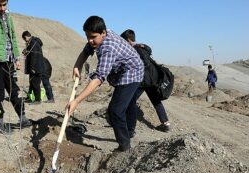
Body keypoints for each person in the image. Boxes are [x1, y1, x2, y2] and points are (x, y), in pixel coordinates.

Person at [67, 16, 144, 152]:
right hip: (124, 70)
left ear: (103, 33)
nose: (90, 40)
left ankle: (124, 146)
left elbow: (98, 79)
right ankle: (130, 131)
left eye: (93, 37)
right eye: (87, 36)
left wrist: (76, 101)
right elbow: (86, 51)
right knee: (129, 102)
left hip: (132, 72)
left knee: (115, 110)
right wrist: (77, 66)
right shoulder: (99, 35)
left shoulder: (109, 47)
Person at [0, 0, 31, 133]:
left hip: (8, 61)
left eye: (4, 5)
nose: (2, 8)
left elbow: (12, 38)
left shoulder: (8, 16)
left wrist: (16, 57)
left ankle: (22, 117)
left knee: (14, 90)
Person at [121, 29, 171, 133]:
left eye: (124, 41)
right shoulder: (142, 47)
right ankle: (166, 123)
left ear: (129, 40)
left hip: (143, 81)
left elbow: (145, 63)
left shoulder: (136, 49)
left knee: (131, 100)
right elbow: (149, 50)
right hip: (152, 80)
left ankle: (129, 126)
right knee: (156, 101)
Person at [22, 30, 45, 104]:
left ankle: (37, 100)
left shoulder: (33, 43)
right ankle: (29, 98)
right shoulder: (32, 43)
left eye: (24, 39)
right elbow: (30, 53)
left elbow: (34, 57)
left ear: (26, 37)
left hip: (36, 68)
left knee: (35, 84)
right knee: (32, 83)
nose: (25, 41)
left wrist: (32, 68)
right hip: (36, 67)